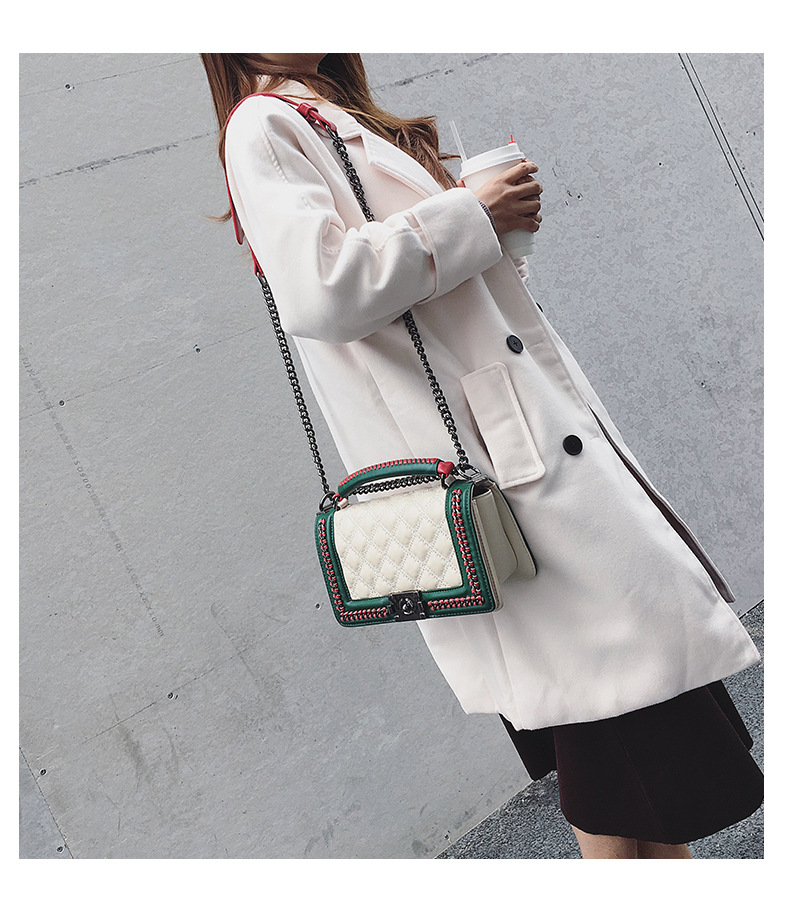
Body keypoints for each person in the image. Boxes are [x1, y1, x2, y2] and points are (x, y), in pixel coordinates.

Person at [200, 53, 764, 859]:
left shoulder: (332, 116)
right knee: (614, 763)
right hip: (503, 483)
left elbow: (437, 295)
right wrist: (470, 213)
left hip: (521, 459)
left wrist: (494, 227)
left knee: (633, 770)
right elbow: (325, 291)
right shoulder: (264, 125)